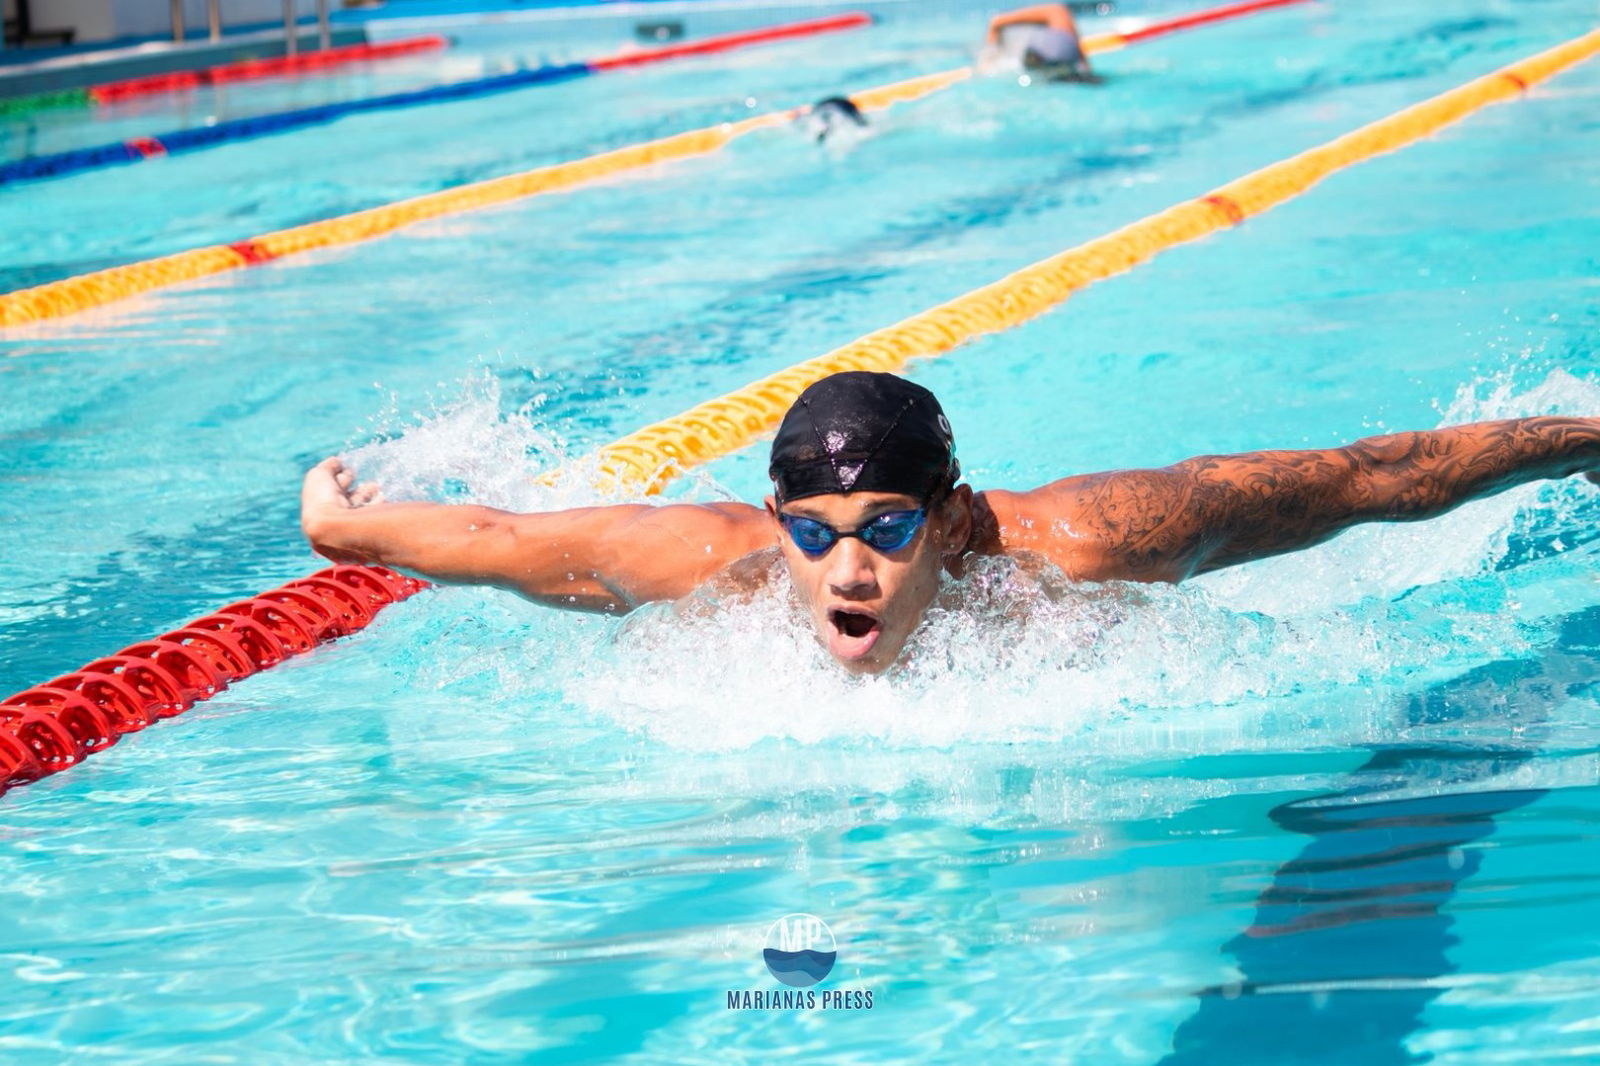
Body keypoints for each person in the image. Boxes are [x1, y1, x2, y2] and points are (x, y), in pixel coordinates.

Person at [302, 371, 1600, 676]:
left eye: (887, 526)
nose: (847, 567)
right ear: (774, 520)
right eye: (814, 531)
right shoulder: (713, 567)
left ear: (958, 515)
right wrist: (341, 527)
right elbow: (482, 537)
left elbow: (1386, 471)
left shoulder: (1101, 540)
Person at [985, 2, 1099, 83]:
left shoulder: (1054, 11)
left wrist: (987, 60)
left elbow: (996, 23)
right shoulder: (1057, 11)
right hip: (1065, 56)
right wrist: (1086, 67)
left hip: (1039, 60)